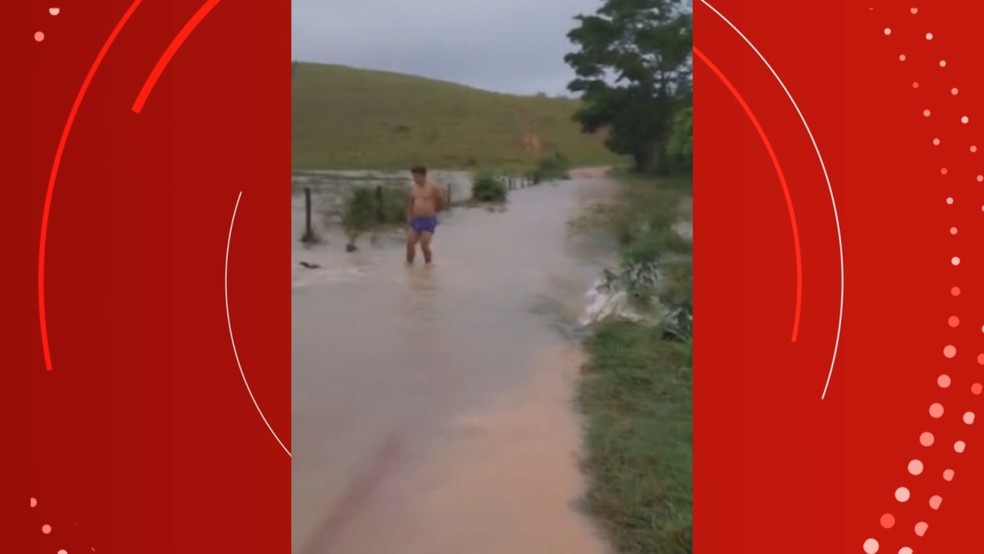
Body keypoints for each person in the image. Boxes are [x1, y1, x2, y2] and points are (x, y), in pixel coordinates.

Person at [406, 166, 444, 264]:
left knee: (424, 245)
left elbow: (441, 202)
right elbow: (411, 202)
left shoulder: (433, 187)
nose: (415, 179)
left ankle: (428, 265)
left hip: (428, 219)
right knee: (409, 244)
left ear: (424, 176)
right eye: (414, 177)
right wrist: (409, 215)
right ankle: (409, 265)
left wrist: (434, 212)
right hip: (415, 219)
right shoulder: (413, 187)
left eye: (417, 177)